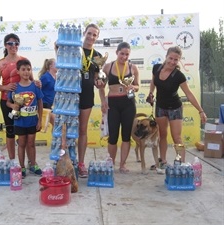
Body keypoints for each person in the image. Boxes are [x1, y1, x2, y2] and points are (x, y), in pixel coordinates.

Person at [147, 46, 207, 167]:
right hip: (160, 107)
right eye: (171, 58)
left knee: (177, 138)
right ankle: (163, 161)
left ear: (179, 60)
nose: (173, 62)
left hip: (175, 108)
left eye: (176, 60)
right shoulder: (156, 68)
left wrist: (201, 111)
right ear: (166, 56)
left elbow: (189, 94)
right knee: (162, 135)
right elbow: (153, 82)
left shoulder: (179, 76)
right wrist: (151, 93)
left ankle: (181, 163)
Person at [0, 33, 40, 161]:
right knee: (10, 131)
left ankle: (29, 163)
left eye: (16, 43)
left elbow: (31, 79)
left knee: (25, 133)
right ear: (5, 45)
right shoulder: (1, 63)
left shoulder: (24, 60)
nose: (13, 46)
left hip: (25, 103)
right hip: (7, 101)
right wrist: (5, 88)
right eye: (10, 43)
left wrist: (37, 83)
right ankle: (13, 161)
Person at [99, 42, 140, 173]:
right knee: (113, 136)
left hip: (128, 102)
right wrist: (102, 101)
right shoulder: (108, 67)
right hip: (113, 102)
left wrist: (133, 87)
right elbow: (101, 86)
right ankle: (111, 162)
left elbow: (138, 86)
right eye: (122, 53)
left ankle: (122, 164)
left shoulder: (133, 68)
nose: (124, 56)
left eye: (127, 54)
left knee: (126, 136)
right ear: (117, 52)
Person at [77, 23, 105, 178]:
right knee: (67, 130)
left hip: (87, 95)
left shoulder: (97, 56)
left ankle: (81, 163)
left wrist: (99, 83)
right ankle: (68, 160)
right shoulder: (75, 50)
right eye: (89, 33)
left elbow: (96, 79)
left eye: (95, 35)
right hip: (71, 95)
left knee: (82, 130)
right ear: (84, 33)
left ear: (97, 37)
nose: (91, 37)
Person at [6, 59, 43, 177]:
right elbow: (8, 102)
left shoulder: (35, 86)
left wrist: (40, 119)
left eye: (28, 69)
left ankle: (33, 165)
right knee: (21, 143)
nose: (26, 72)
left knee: (31, 143)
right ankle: (21, 167)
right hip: (20, 122)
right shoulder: (14, 87)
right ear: (18, 71)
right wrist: (13, 105)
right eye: (23, 69)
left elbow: (40, 102)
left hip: (32, 121)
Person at [38, 58, 57, 127]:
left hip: (51, 105)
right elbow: (37, 89)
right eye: (56, 64)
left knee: (56, 125)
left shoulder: (56, 77)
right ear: (51, 66)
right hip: (44, 105)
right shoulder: (45, 77)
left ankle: (55, 138)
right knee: (57, 124)